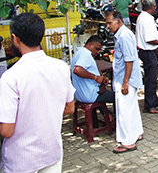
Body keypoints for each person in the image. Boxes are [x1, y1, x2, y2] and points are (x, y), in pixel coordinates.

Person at [0, 13, 75, 172]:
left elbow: (6, 130)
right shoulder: (60, 67)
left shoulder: (11, 77)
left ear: (15, 38)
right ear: (41, 36)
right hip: (51, 154)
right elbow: (69, 108)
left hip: (21, 160)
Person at [105, 11, 143, 153]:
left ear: (119, 22)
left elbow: (129, 60)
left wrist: (125, 82)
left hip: (126, 79)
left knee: (124, 110)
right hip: (125, 78)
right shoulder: (121, 34)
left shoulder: (124, 35)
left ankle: (128, 142)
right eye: (107, 23)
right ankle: (136, 132)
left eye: (110, 23)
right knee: (131, 107)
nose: (108, 26)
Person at [136, 0, 158, 114]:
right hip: (148, 51)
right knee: (150, 79)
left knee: (152, 78)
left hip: (147, 51)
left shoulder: (144, 17)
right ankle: (149, 105)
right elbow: (149, 39)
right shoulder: (146, 19)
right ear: (152, 7)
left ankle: (153, 101)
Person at [71, 35, 115, 104]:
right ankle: (117, 115)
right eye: (97, 49)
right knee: (118, 97)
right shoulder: (86, 54)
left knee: (104, 93)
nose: (98, 52)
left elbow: (93, 68)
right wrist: (96, 77)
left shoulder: (78, 52)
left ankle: (105, 114)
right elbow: (77, 70)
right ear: (89, 44)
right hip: (90, 95)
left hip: (80, 95)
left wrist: (101, 77)